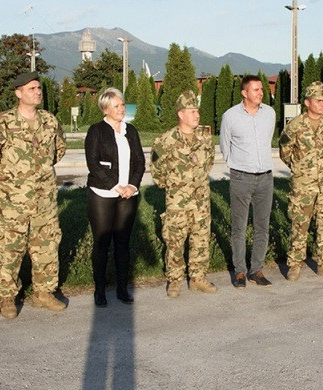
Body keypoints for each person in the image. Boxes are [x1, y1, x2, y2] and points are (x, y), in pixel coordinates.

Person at [0, 71, 67, 317]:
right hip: (13, 201)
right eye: (31, 89)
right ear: (18, 93)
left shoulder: (49, 121)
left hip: (44, 199)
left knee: (47, 245)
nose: (37, 92)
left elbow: (58, 150)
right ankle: (7, 298)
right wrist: (12, 174)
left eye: (38, 88)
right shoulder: (3, 122)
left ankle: (44, 292)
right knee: (10, 247)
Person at [150, 91, 217, 298]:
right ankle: (175, 280)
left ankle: (198, 278)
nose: (197, 115)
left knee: (201, 239)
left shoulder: (205, 137)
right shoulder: (165, 140)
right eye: (192, 111)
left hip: (201, 200)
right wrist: (175, 188)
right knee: (175, 241)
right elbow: (157, 171)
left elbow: (209, 163)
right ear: (181, 114)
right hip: (177, 202)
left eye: (197, 110)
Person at [85, 88, 145, 307]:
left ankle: (122, 288)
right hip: (102, 193)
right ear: (105, 109)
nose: (121, 109)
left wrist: (132, 185)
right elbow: (93, 163)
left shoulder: (131, 131)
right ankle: (100, 290)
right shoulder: (96, 131)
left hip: (128, 195)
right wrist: (115, 185)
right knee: (102, 242)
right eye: (117, 106)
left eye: (122, 105)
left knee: (122, 243)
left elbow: (140, 161)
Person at [279, 81, 323, 281]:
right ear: (307, 102)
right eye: (318, 100)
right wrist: (300, 169)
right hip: (303, 185)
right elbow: (285, 151)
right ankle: (295, 263)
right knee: (300, 224)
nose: (322, 104)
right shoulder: (295, 125)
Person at [219, 74, 276, 288]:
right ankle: (240, 271)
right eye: (256, 90)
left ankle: (256, 270)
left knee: (262, 226)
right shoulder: (230, 116)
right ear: (244, 93)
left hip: (265, 178)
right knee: (239, 226)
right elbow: (225, 146)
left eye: (261, 89)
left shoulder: (269, 114)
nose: (261, 93)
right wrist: (238, 165)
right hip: (241, 177)